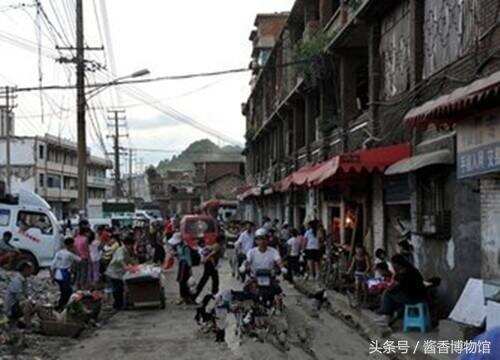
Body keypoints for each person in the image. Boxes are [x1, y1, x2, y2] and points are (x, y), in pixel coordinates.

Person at [376, 254, 427, 325]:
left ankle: (386, 316)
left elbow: (395, 287)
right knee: (392, 296)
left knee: (388, 294)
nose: (393, 266)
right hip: (419, 296)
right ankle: (388, 316)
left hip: (413, 298)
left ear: (397, 264)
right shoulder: (412, 269)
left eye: (393, 264)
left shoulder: (403, 273)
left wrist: (387, 287)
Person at [105, 235, 136, 310]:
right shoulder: (120, 250)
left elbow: (129, 260)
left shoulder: (126, 251)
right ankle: (117, 305)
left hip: (119, 273)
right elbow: (120, 260)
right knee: (117, 289)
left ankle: (121, 304)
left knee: (120, 289)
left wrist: (136, 266)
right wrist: (126, 267)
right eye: (131, 245)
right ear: (128, 244)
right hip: (114, 272)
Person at [51, 237, 81, 311]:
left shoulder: (59, 252)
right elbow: (79, 260)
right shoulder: (69, 254)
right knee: (67, 292)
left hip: (57, 274)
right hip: (64, 274)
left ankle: (61, 305)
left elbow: (53, 265)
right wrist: (76, 251)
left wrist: (52, 276)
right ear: (71, 245)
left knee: (64, 291)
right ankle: (62, 306)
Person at [4, 262, 35, 328]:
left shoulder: (24, 280)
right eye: (30, 270)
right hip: (11, 308)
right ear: (25, 269)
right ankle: (27, 326)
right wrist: (29, 301)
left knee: (36, 305)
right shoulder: (17, 281)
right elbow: (19, 297)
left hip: (17, 305)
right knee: (27, 304)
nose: (31, 272)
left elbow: (26, 294)